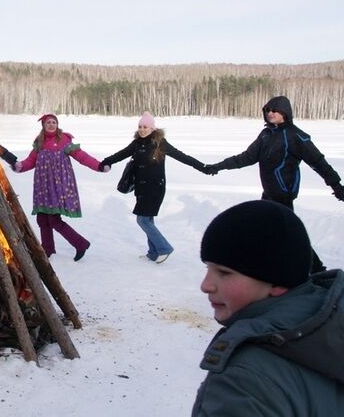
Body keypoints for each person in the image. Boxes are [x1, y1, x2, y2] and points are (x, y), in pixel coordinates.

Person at [193, 200, 344, 415]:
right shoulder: (332, 325)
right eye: (208, 268)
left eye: (224, 272)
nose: (205, 285)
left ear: (276, 281)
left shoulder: (244, 381)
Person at [205, 95, 344, 272]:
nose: (270, 113)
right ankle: (271, 267)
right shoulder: (266, 134)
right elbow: (247, 157)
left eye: (274, 110)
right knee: (269, 231)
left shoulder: (296, 136)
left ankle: (317, 270)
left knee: (290, 235)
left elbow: (319, 162)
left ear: (285, 113)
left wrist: (337, 186)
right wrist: (219, 166)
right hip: (269, 193)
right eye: (267, 110)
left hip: (283, 196)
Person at [100, 112, 207, 263]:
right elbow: (122, 154)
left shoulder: (160, 143)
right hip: (141, 188)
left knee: (142, 220)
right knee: (148, 219)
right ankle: (153, 252)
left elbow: (182, 157)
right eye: (140, 127)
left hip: (155, 188)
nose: (142, 129)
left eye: (145, 127)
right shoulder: (137, 143)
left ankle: (164, 248)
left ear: (152, 128)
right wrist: (106, 161)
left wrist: (203, 167)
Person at [13, 114, 109, 260]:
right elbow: (30, 161)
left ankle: (80, 243)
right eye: (48, 123)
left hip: (58, 186)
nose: (51, 125)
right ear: (43, 125)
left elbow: (82, 157)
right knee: (42, 218)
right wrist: (20, 166)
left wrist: (99, 166)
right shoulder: (39, 142)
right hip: (42, 185)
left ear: (57, 125)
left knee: (53, 220)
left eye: (54, 122)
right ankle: (48, 249)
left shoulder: (64, 140)